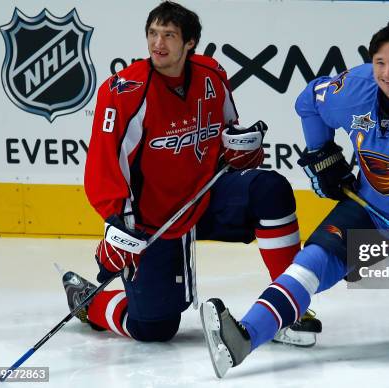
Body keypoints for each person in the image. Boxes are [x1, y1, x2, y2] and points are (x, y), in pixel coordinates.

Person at [199, 21, 389, 378]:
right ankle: (243, 337)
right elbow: (308, 102)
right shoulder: (355, 89)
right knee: (310, 263)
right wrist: (321, 153)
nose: (387, 73)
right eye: (380, 62)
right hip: (369, 210)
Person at [63, 1, 320, 347]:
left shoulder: (211, 77)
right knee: (154, 330)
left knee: (270, 189)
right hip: (151, 221)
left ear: (190, 43)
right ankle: (91, 302)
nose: (158, 43)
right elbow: (105, 165)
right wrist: (118, 226)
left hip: (204, 199)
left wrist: (242, 151)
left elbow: (228, 136)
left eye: (169, 35)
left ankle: (291, 310)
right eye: (153, 34)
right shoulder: (124, 92)